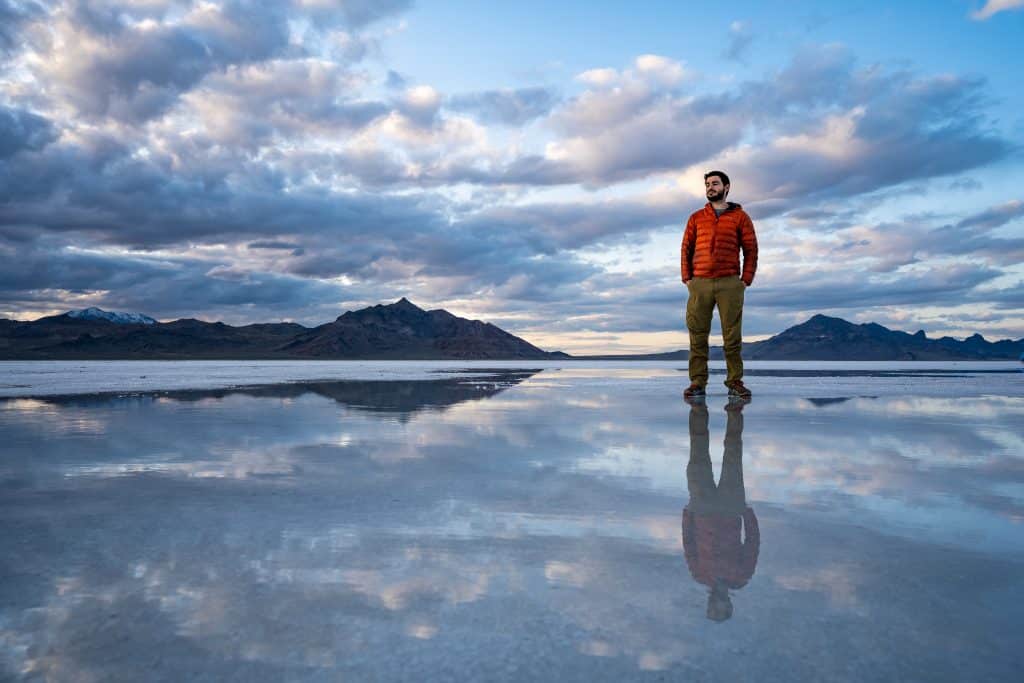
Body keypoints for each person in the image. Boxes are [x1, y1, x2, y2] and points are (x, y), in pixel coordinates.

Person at [680, 171, 758, 399]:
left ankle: (734, 381)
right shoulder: (696, 217)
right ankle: (697, 382)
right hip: (700, 283)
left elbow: (751, 249)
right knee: (697, 334)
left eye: (715, 183)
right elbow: (686, 248)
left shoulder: (740, 217)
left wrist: (745, 280)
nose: (710, 187)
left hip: (730, 283)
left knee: (732, 336)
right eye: (707, 184)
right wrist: (688, 278)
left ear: (727, 187)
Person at [682, 398, 759, 621]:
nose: (717, 603)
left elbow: (689, 543)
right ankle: (735, 411)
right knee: (733, 450)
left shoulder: (699, 575)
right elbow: (752, 543)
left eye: (713, 608)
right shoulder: (741, 578)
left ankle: (698, 409)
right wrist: (748, 514)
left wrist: (687, 516)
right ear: (729, 605)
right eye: (721, 608)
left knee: (697, 452)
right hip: (730, 506)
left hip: (701, 507)